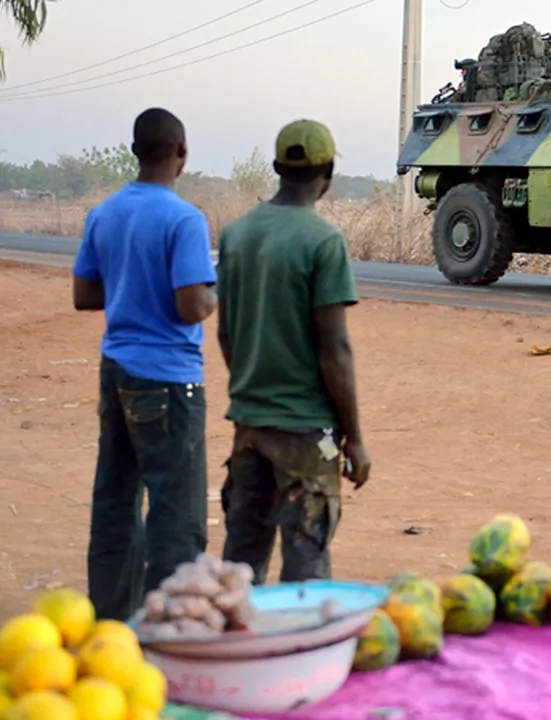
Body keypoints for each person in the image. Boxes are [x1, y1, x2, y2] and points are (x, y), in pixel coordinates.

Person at [71, 107, 218, 621]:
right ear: (181, 153)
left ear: (136, 151)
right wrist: (213, 294)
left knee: (115, 499)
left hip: (117, 372)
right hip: (170, 381)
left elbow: (85, 295)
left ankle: (112, 621)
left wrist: (130, 286)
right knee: (177, 512)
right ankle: (170, 626)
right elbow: (191, 306)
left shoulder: (105, 214)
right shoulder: (184, 219)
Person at [215, 119, 370, 585]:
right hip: (305, 431)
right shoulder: (324, 241)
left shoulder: (236, 235)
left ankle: (232, 650)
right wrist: (354, 438)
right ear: (327, 174)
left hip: (249, 423)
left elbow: (225, 332)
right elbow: (334, 348)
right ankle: (300, 654)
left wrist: (253, 386)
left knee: (240, 564)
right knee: (306, 565)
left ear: (278, 168)